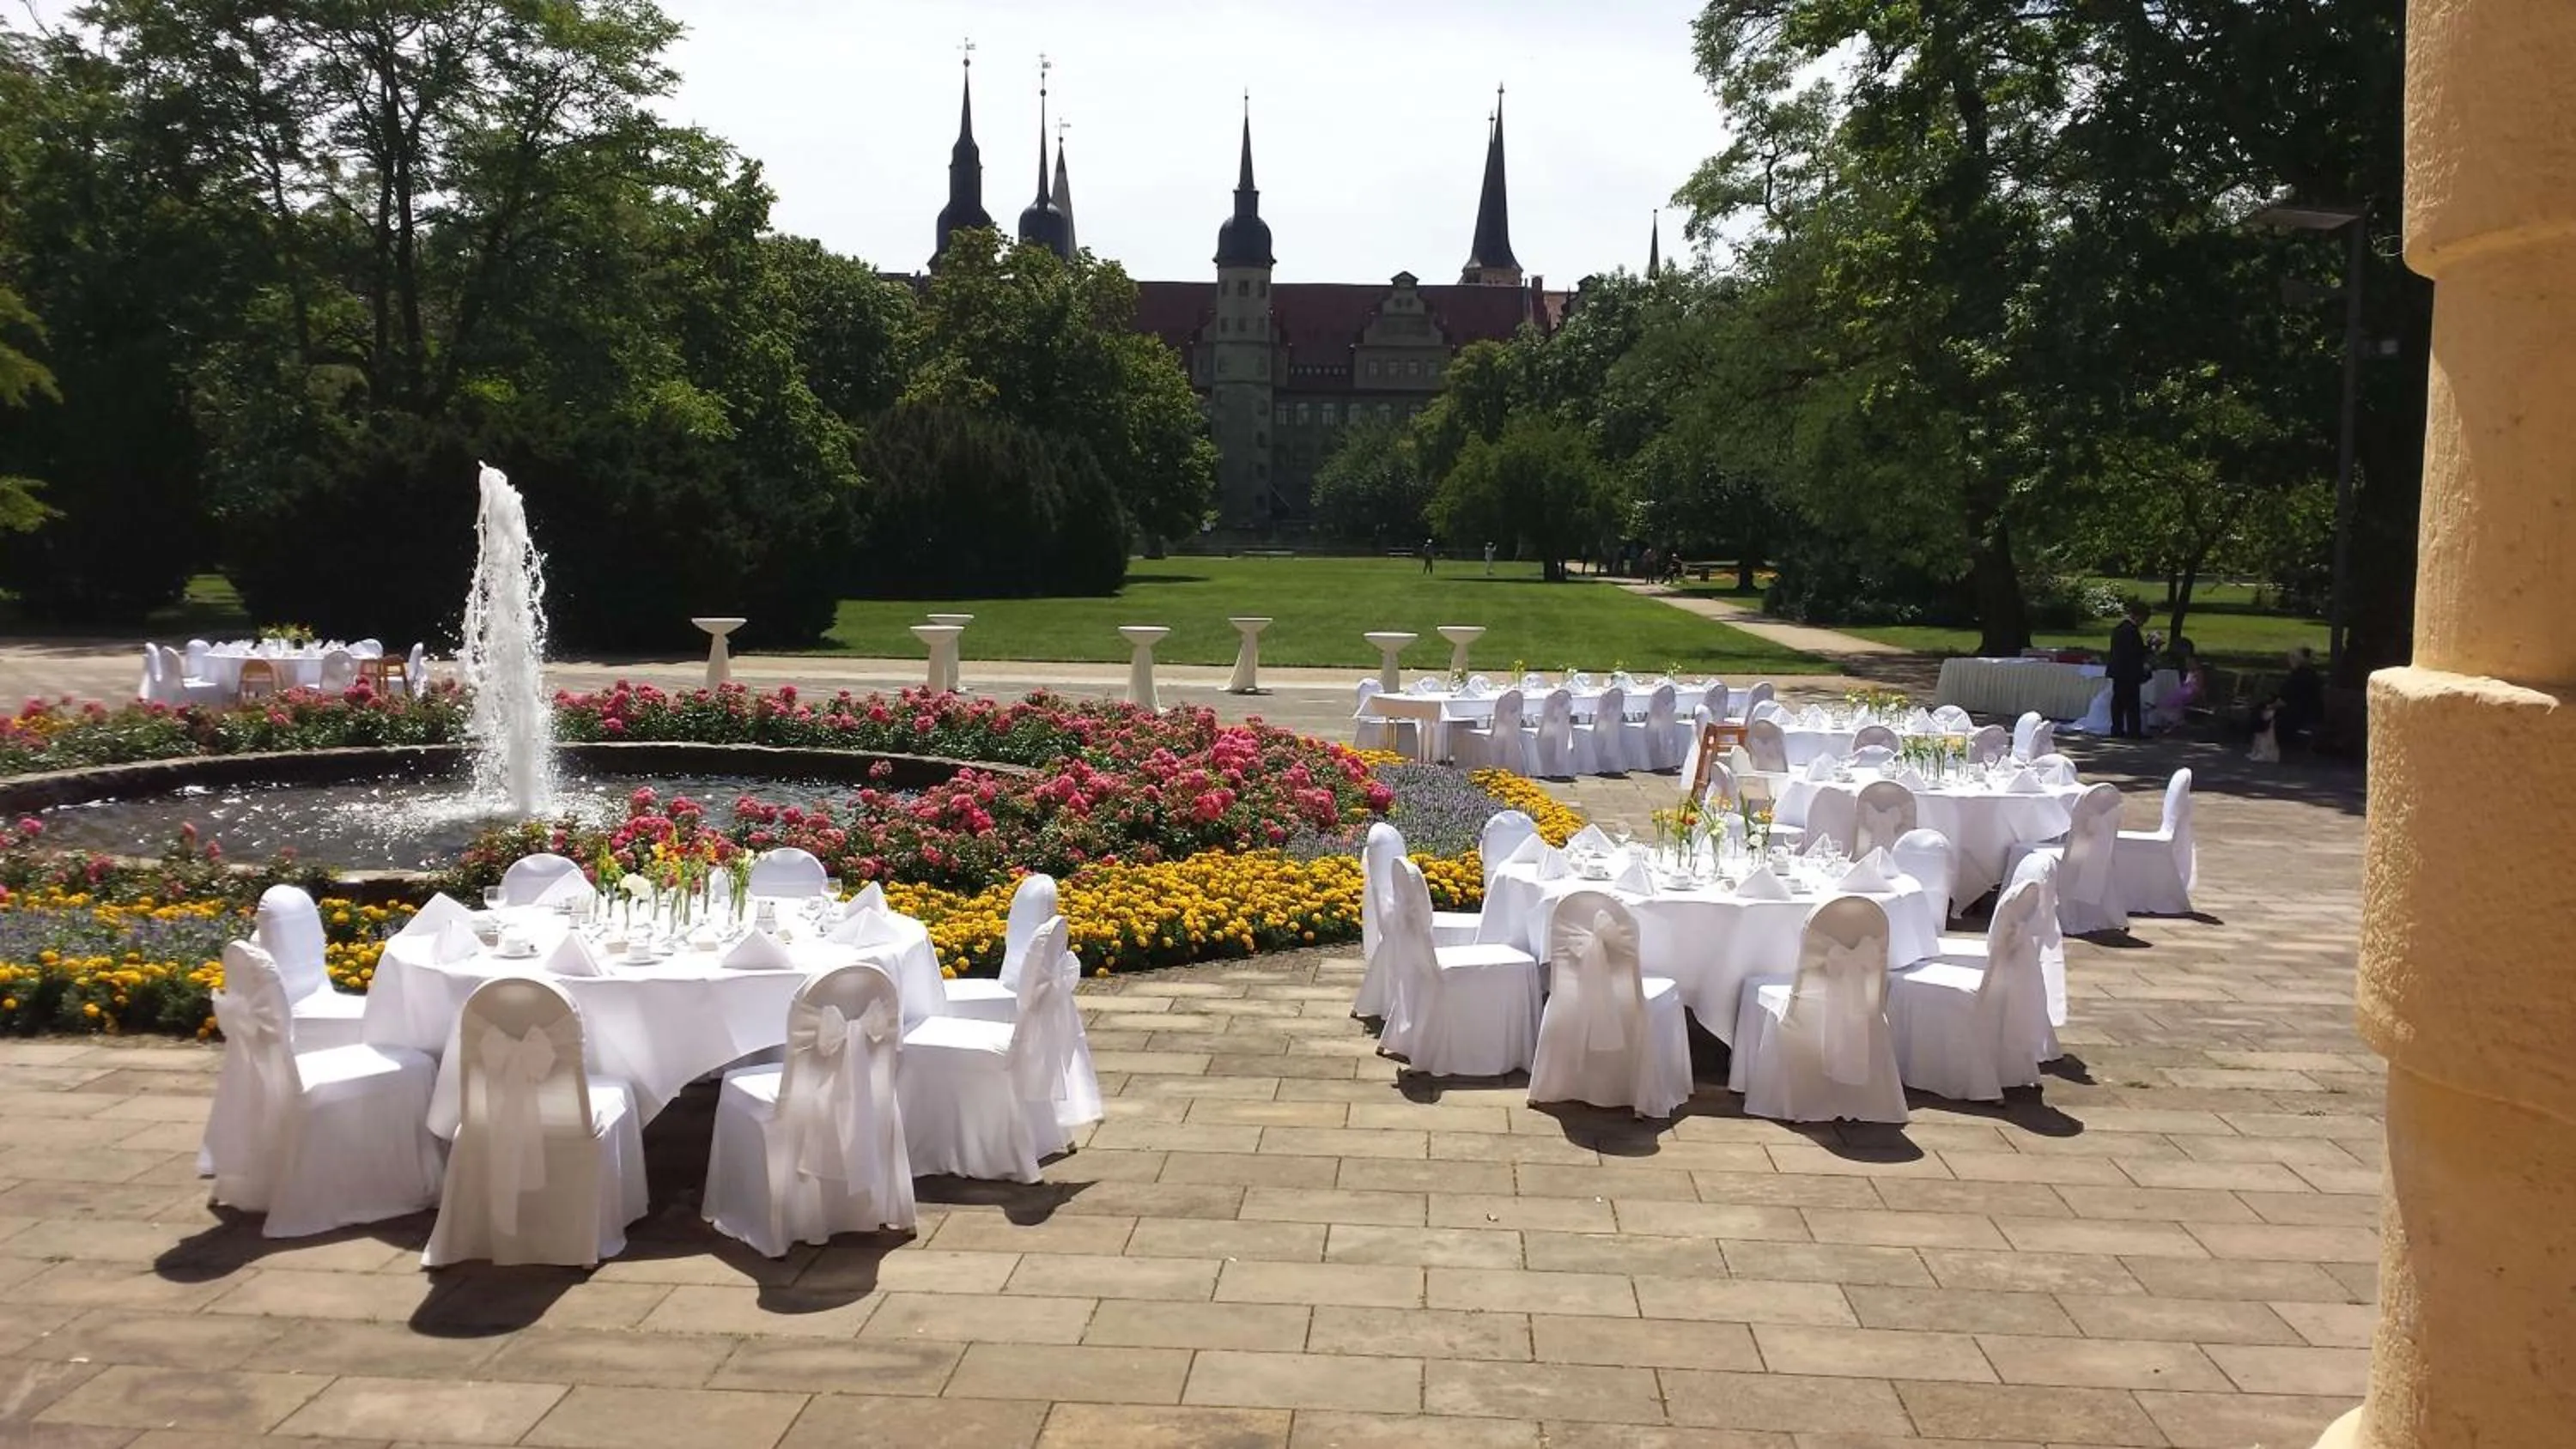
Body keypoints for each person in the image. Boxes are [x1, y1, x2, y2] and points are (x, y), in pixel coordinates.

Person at [2106, 601, 2151, 738]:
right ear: (2138, 616)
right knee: (2132, 703)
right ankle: (2133, 731)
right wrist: (2150, 648)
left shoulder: (2120, 628)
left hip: (2119, 670)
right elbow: (2135, 653)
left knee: (2118, 702)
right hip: (2128, 672)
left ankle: (2117, 729)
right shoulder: (2130, 631)